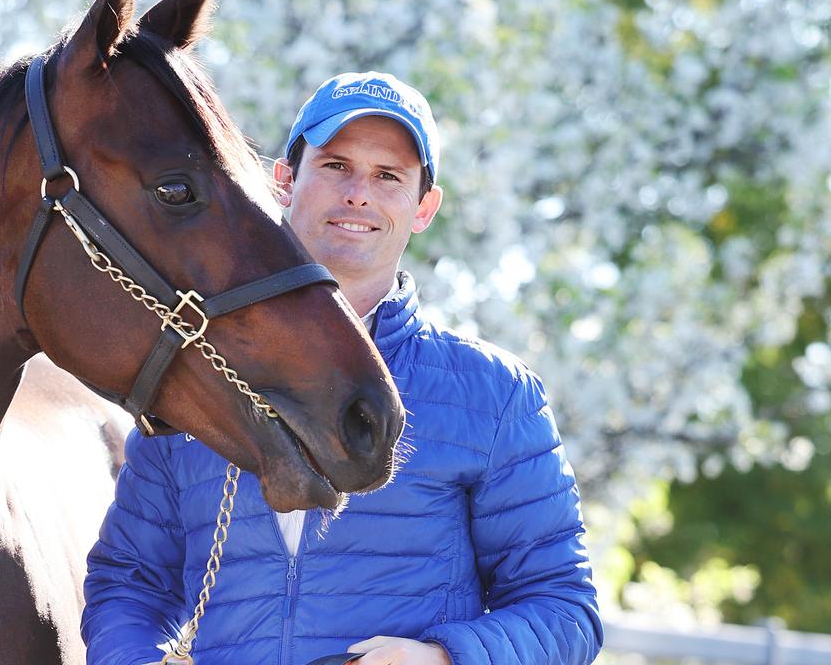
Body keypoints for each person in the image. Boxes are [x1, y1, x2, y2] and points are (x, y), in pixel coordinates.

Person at [81, 72, 603, 665]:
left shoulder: (494, 395)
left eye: (389, 177)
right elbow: (129, 584)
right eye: (335, 166)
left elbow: (565, 609)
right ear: (284, 179)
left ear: (424, 206)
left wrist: (441, 658)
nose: (359, 194)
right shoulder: (191, 377)